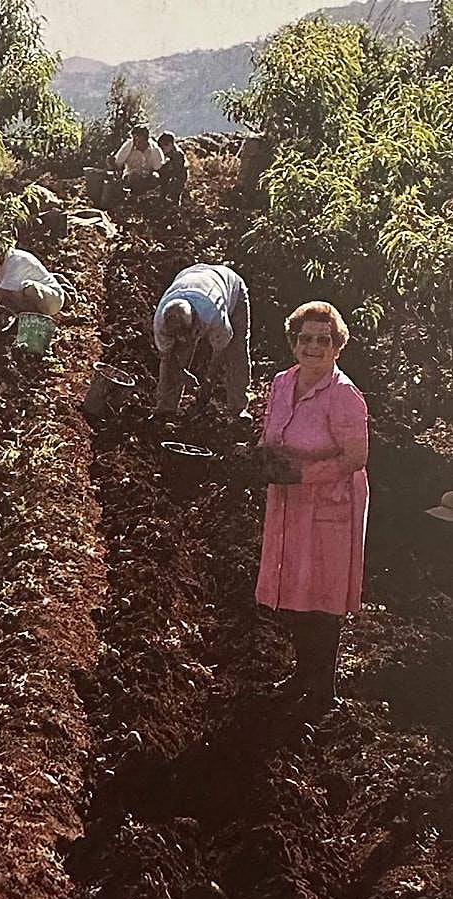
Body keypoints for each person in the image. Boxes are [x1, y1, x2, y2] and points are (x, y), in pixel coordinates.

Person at [255, 301, 370, 716]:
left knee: (323, 597)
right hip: (288, 501)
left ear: (338, 347)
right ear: (294, 343)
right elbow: (271, 434)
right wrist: (260, 458)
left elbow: (355, 458)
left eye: (324, 340)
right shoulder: (283, 383)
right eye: (306, 339)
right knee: (292, 589)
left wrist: (304, 475)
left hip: (329, 505)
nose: (314, 347)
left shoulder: (343, 396)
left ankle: (323, 688)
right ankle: (304, 672)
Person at [153, 264, 251, 418]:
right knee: (175, 357)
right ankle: (165, 409)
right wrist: (181, 373)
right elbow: (167, 357)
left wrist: (208, 382)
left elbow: (220, 350)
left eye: (188, 334)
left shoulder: (212, 313)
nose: (185, 339)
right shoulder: (161, 323)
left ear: (196, 319)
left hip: (231, 287)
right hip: (190, 276)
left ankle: (238, 409)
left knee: (236, 350)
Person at [0, 247, 65, 317]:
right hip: (39, 296)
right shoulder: (3, 262)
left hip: (52, 300)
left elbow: (5, 290)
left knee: (28, 288)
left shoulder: (15, 259)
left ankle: (34, 317)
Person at [114, 124, 164, 195]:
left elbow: (158, 167)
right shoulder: (128, 146)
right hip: (131, 177)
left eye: (140, 140)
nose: (137, 143)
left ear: (146, 140)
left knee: (155, 177)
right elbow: (118, 162)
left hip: (148, 177)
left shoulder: (154, 149)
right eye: (135, 139)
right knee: (134, 176)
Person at [157, 131, 188, 205]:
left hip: (178, 176)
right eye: (160, 145)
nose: (162, 147)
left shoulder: (177, 154)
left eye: (165, 145)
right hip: (167, 175)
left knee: (175, 192)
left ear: (171, 144)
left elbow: (177, 169)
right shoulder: (163, 153)